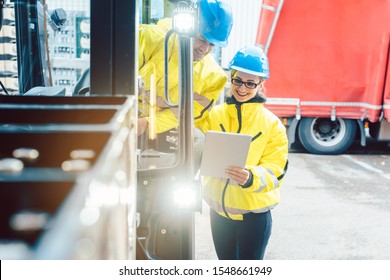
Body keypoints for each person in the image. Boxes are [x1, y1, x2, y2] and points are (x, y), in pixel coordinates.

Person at [200, 46, 289, 260]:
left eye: (250, 83)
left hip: (253, 217)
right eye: (238, 80)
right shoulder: (214, 115)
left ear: (261, 84)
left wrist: (251, 177)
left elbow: (276, 171)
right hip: (219, 214)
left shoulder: (272, 125)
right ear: (231, 78)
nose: (242, 88)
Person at [137, 0, 233, 137]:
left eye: (212, 44)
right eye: (201, 39)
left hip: (161, 128)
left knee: (198, 139)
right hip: (126, 114)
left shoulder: (213, 77)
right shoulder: (149, 39)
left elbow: (188, 113)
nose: (204, 49)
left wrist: (148, 122)